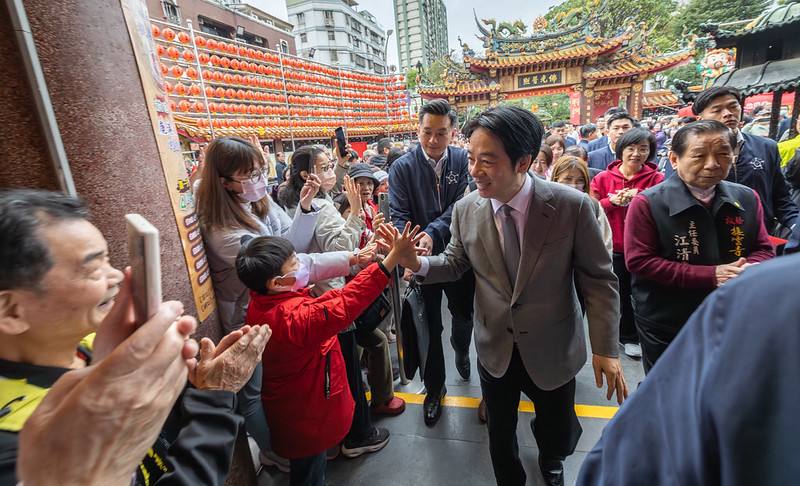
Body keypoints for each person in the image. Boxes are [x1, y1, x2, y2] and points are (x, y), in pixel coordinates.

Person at [399, 106, 627, 486]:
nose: (473, 171)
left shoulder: (571, 207)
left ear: (523, 161)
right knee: (499, 433)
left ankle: (552, 459)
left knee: (557, 430)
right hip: (494, 345)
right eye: (471, 158)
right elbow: (455, 262)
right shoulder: (466, 209)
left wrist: (606, 347)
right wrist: (418, 264)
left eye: (487, 161)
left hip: (552, 345)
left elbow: (599, 281)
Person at [0, 189, 270, 485]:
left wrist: (199, 387)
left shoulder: (94, 346)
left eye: (107, 260)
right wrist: (215, 398)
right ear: (11, 311)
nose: (116, 276)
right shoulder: (15, 454)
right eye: (92, 269)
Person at [577, 253, 800, 486]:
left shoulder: (761, 298)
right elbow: (637, 259)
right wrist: (712, 273)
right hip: (662, 320)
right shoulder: (763, 296)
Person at [236, 223, 423, 486]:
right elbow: (344, 304)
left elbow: (331, 300)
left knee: (310, 467)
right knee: (309, 473)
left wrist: (360, 260)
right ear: (277, 283)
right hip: (306, 418)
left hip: (299, 411)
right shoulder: (292, 319)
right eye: (294, 265)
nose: (302, 266)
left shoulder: (265, 301)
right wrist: (390, 261)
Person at [195, 136, 323, 471]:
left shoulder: (260, 200)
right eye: (250, 175)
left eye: (259, 171)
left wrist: (305, 208)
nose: (260, 181)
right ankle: (272, 451)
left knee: (273, 382)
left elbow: (288, 244)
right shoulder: (221, 229)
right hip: (244, 315)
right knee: (251, 390)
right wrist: (350, 259)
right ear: (224, 182)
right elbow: (279, 260)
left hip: (273, 306)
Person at [623, 120, 774, 372]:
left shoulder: (746, 197)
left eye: (723, 153)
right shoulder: (648, 203)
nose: (712, 164)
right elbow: (640, 261)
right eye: (699, 155)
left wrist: (748, 269)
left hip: (730, 313)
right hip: (668, 318)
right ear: (674, 158)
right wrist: (711, 275)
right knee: (670, 384)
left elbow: (763, 248)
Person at [389, 98, 475, 426]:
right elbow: (397, 214)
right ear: (418, 130)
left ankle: (463, 349)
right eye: (427, 132)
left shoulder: (463, 160)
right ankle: (435, 389)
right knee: (429, 326)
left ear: (452, 132)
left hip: (459, 254)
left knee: (463, 314)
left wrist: (431, 231)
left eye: (441, 133)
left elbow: (463, 206)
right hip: (422, 259)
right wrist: (409, 246)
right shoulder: (402, 168)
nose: (434, 140)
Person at [693, 86, 799, 250]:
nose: (728, 113)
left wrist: (795, 225)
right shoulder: (691, 154)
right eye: (717, 110)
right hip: (710, 245)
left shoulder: (766, 147)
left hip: (759, 242)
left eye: (733, 106)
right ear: (701, 119)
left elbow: (782, 200)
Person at [590, 127, 664, 359]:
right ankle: (627, 336)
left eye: (643, 149)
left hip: (646, 247)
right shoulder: (602, 178)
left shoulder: (657, 179)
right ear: (621, 150)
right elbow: (592, 209)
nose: (636, 154)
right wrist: (612, 201)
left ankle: (648, 334)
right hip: (614, 247)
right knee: (619, 293)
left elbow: (663, 208)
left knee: (646, 294)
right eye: (631, 148)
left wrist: (639, 198)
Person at [550, 156, 613, 253]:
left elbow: (605, 245)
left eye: (580, 180)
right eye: (568, 179)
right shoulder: (546, 205)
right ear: (556, 179)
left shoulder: (593, 206)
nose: (574, 185)